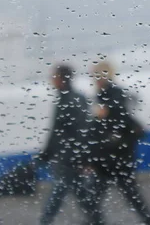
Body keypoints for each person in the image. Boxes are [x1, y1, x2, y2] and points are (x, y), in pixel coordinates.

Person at [90, 61, 150, 225]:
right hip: (113, 155)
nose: (94, 80)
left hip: (116, 155)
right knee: (106, 192)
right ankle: (94, 220)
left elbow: (116, 122)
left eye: (96, 76)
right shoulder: (107, 95)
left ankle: (148, 219)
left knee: (123, 191)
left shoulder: (111, 96)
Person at [38, 64, 104, 225]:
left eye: (54, 76)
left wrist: (47, 153)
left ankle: (45, 221)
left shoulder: (68, 100)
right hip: (72, 154)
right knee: (80, 190)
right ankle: (97, 220)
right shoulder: (74, 97)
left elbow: (64, 130)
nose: (52, 80)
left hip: (69, 155)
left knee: (60, 189)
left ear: (61, 79)